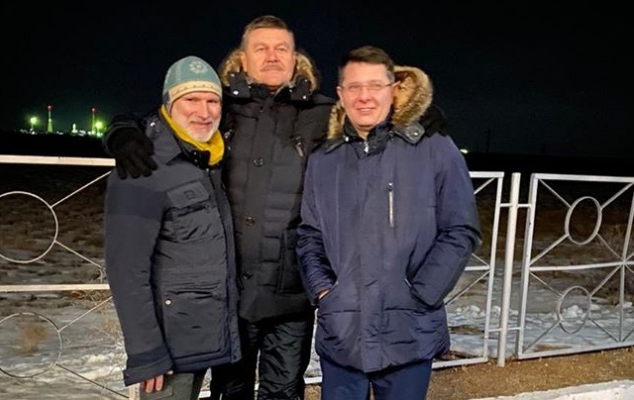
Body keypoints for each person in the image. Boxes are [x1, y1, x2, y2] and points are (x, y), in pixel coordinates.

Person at [102, 15, 447, 400]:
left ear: (295, 57)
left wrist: (417, 114)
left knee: (283, 391)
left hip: (291, 293)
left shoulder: (323, 113)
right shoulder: (221, 107)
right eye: (261, 48)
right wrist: (122, 130)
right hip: (231, 292)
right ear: (242, 59)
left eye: (281, 48)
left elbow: (373, 113)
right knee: (230, 390)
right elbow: (168, 120)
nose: (272, 56)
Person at [296, 45, 482, 400]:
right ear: (341, 94)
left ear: (393, 89)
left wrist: (422, 293)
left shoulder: (434, 147)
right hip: (342, 332)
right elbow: (310, 235)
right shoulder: (325, 158)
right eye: (354, 86)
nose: (364, 96)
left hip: (408, 330)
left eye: (375, 85)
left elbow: (461, 228)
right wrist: (325, 292)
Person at [104, 55, 240, 400]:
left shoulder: (208, 158)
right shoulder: (142, 165)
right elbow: (126, 269)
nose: (204, 112)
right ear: (168, 104)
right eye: (191, 99)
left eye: (212, 101)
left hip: (208, 336)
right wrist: (147, 352)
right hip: (168, 348)